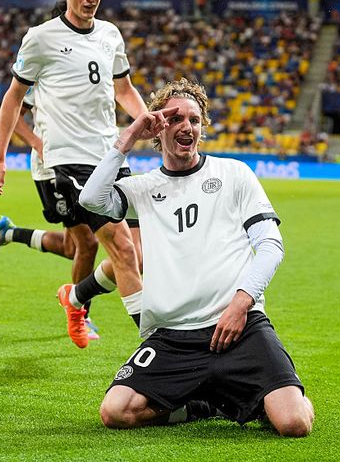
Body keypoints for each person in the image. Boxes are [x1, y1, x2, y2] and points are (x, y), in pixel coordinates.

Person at [79, 78, 315, 436]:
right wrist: (128, 138)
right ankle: (201, 406)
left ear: (202, 127)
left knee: (294, 423)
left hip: (239, 326)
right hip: (173, 336)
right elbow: (91, 200)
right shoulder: (142, 188)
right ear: (158, 128)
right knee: (116, 412)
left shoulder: (234, 173)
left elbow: (270, 245)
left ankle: (274, 389)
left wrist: (241, 303)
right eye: (174, 119)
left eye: (194, 119)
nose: (186, 127)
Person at [0, 0, 147, 349]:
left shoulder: (110, 34)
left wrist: (149, 122)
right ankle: (157, 343)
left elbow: (123, 89)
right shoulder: (41, 38)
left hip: (111, 156)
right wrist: (1, 155)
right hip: (68, 161)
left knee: (141, 255)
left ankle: (75, 297)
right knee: (118, 250)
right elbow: (12, 98)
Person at [0, 86, 105, 339]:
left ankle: (10, 233)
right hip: (52, 169)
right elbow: (15, 111)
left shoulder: (88, 65)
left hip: (82, 162)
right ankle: (81, 314)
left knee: (74, 248)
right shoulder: (45, 69)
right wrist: (37, 143)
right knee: (88, 243)